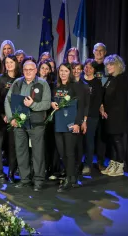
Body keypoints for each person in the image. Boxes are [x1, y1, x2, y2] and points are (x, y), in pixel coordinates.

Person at [5, 60, 51, 192]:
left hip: (36, 124)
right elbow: (7, 101)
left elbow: (47, 104)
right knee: (21, 151)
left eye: (31, 69)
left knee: (37, 153)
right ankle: (24, 179)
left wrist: (32, 105)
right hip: (19, 123)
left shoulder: (42, 83)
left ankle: (38, 180)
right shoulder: (17, 82)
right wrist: (11, 118)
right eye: (26, 70)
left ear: (36, 70)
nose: (28, 72)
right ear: (23, 71)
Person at [50, 63, 86, 192]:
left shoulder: (75, 86)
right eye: (61, 71)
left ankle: (69, 179)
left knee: (70, 153)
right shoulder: (55, 86)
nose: (63, 73)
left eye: (66, 71)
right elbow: (52, 100)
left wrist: (78, 123)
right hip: (58, 123)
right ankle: (71, 177)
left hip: (71, 123)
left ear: (70, 72)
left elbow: (81, 107)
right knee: (62, 153)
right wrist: (51, 103)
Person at [0, 54, 21, 183]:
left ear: (16, 63)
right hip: (1, 117)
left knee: (12, 146)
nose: (9, 64)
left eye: (11, 62)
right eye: (7, 62)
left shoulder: (21, 79)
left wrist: (12, 117)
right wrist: (3, 115)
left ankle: (11, 171)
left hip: (15, 119)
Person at [99, 55, 128, 177]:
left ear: (118, 66)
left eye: (111, 64)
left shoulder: (121, 79)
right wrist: (102, 107)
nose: (109, 67)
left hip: (116, 114)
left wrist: (107, 110)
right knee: (112, 140)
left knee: (117, 140)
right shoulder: (111, 78)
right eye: (107, 65)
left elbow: (118, 100)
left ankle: (120, 166)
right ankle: (113, 164)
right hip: (108, 114)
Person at [81, 59, 103, 174]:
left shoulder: (97, 83)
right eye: (86, 66)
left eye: (90, 67)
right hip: (79, 115)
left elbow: (97, 102)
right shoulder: (79, 80)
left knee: (89, 141)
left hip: (91, 116)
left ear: (94, 70)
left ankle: (88, 164)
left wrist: (86, 116)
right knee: (78, 142)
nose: (87, 69)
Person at [92, 42, 108, 171]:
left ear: (105, 52)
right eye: (96, 50)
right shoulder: (89, 66)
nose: (98, 52)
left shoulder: (108, 67)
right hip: (90, 107)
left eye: (101, 50)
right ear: (93, 52)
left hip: (104, 106)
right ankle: (85, 162)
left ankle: (101, 162)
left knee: (101, 136)